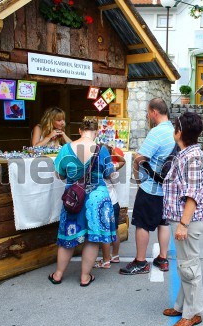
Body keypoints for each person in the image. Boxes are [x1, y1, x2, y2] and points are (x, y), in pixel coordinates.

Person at [49, 118, 116, 286]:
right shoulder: (102, 150)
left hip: (74, 197)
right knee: (92, 238)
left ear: (80, 130)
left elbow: (60, 174)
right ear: (97, 132)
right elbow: (109, 172)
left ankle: (58, 274)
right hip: (97, 197)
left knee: (67, 235)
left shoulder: (65, 149)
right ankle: (85, 277)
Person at [162, 112, 203, 326]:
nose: (174, 129)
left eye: (175, 126)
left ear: (180, 131)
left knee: (189, 266)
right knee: (184, 264)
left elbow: (192, 194)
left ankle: (194, 313)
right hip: (183, 219)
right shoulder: (186, 154)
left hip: (187, 221)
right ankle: (182, 306)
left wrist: (183, 223)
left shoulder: (192, 157)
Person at [119, 98, 175, 275]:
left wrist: (138, 182)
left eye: (148, 112)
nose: (147, 115)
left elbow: (139, 158)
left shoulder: (156, 133)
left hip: (151, 187)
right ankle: (163, 258)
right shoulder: (174, 131)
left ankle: (141, 261)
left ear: (154, 112)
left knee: (142, 223)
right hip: (168, 187)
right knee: (163, 222)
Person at [94, 146, 126, 269]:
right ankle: (115, 255)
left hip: (103, 203)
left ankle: (106, 260)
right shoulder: (111, 167)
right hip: (114, 201)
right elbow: (123, 161)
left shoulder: (96, 168)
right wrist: (114, 153)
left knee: (105, 232)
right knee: (115, 230)